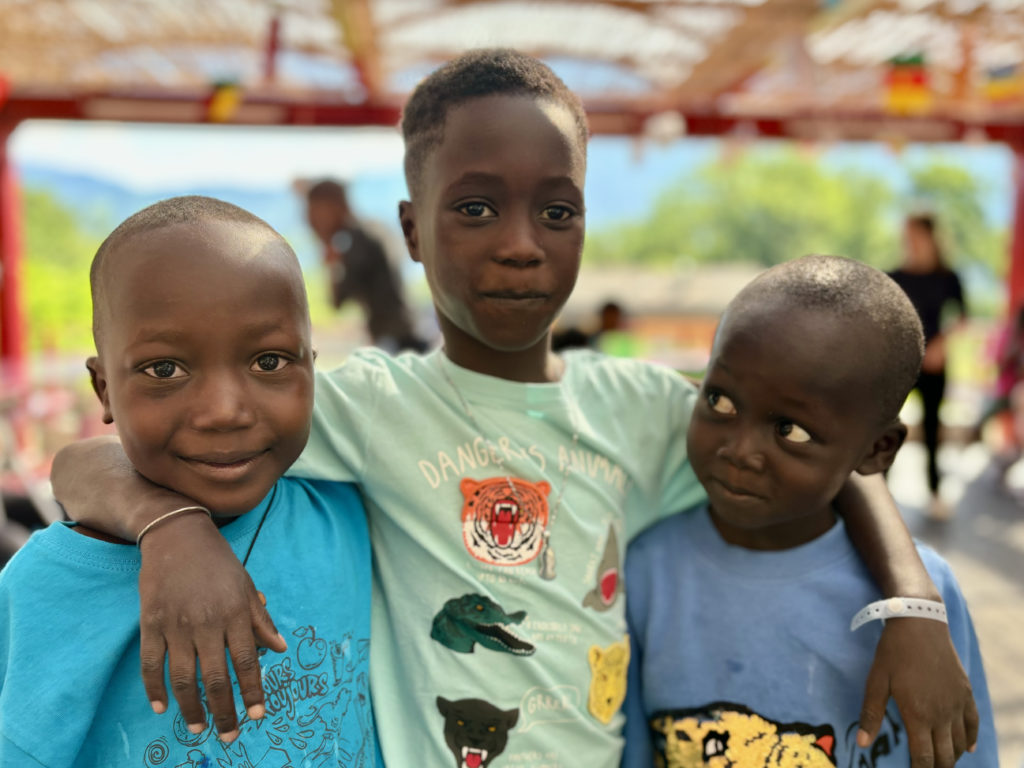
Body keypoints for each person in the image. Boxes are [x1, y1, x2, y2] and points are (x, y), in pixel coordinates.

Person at [52, 51, 977, 768]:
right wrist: (171, 528)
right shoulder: (373, 406)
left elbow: (827, 457)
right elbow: (90, 459)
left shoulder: (649, 410)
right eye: (478, 209)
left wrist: (913, 606)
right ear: (413, 230)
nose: (522, 247)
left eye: (558, 212)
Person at [0, 197, 381, 765]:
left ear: (311, 366)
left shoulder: (348, 514)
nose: (224, 411)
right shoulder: (50, 587)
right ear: (104, 391)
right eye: (164, 370)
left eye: (271, 361)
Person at [623, 255, 996, 768]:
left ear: (877, 450)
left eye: (790, 431)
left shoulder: (922, 602)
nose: (740, 450)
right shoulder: (647, 569)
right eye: (722, 401)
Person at [888, 214, 966, 518]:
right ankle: (879, 492)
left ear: (931, 236)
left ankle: (934, 492)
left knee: (933, 429)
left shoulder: (949, 277)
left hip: (934, 364)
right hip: (902, 362)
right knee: (887, 426)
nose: (910, 241)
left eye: (915, 234)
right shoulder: (896, 275)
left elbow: (960, 318)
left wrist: (940, 345)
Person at [305, 178, 427, 352]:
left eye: (312, 211)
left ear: (333, 207)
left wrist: (332, 262)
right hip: (404, 333)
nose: (309, 220)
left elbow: (337, 302)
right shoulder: (369, 230)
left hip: (397, 341)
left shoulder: (356, 242)